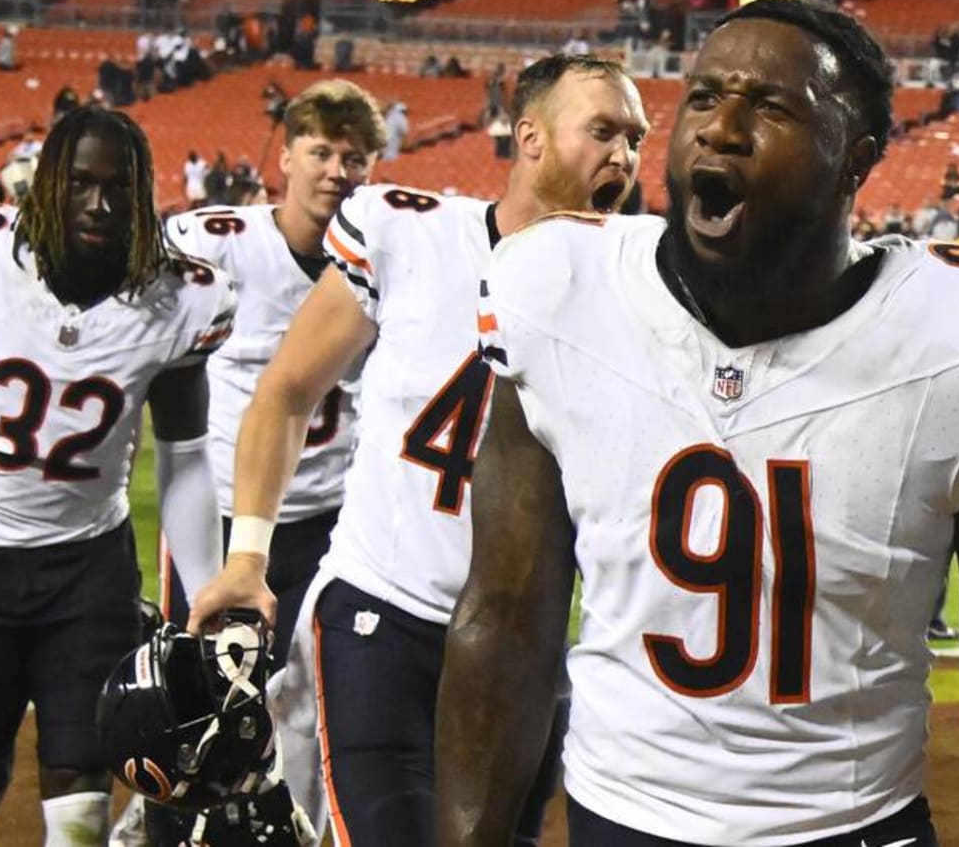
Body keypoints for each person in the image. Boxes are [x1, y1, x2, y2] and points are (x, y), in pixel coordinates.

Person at [439, 0, 959, 846]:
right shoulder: (559, 288)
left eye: (771, 107)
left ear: (855, 162)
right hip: (622, 816)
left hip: (850, 824)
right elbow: (506, 617)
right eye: (704, 97)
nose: (722, 129)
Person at [186, 55, 648, 847]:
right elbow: (287, 390)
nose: (626, 156)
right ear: (530, 136)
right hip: (383, 617)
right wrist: (248, 555)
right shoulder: (412, 233)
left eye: (636, 138)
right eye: (603, 130)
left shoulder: (641, 279)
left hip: (525, 646)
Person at [0, 107, 235, 845]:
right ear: (48, 188)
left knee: (81, 788)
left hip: (85, 569)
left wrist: (206, 593)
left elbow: (183, 452)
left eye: (119, 188)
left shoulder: (182, 297)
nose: (100, 205)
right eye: (82, 185)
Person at [147, 79, 385, 840]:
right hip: (221, 514)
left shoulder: (385, 259)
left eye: (353, 157)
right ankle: (160, 822)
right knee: (195, 694)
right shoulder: (214, 242)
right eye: (320, 152)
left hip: (328, 522)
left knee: (311, 701)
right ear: (286, 156)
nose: (335, 171)